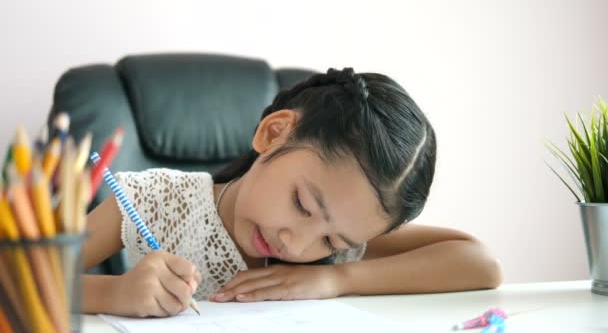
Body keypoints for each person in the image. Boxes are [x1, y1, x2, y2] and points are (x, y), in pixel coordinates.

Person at [82, 67, 502, 317]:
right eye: (301, 204)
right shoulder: (154, 199)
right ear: (274, 132)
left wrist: (338, 279)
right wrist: (114, 293)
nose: (296, 244)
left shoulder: (335, 253)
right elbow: (18, 276)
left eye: (332, 239)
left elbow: (481, 264)